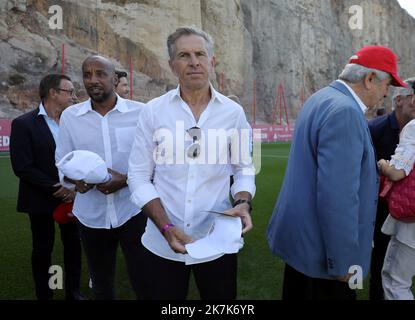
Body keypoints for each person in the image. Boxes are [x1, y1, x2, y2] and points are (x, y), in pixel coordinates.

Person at [266, 45, 407, 300]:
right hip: (322, 254)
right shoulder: (345, 112)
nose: (387, 93)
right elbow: (338, 196)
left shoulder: (322, 97)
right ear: (369, 79)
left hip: (302, 244)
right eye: (387, 84)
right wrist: (343, 261)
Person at [128, 26, 255, 300]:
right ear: (172, 65)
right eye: (184, 55)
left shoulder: (233, 113)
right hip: (161, 243)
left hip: (217, 239)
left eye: (200, 54)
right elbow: (138, 176)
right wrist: (166, 228)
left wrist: (243, 202)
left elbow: (244, 167)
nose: (194, 61)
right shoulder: (153, 111)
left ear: (212, 60)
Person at [55, 55, 146, 300]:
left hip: (134, 210)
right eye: (87, 75)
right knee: (102, 285)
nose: (93, 80)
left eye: (100, 74)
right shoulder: (70, 117)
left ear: (115, 79)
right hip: (91, 215)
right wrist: (77, 183)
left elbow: (156, 161)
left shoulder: (141, 113)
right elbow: (63, 162)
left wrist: (125, 179)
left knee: (144, 281)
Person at [9, 74, 83, 300]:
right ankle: (45, 293)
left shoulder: (75, 122)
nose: (74, 96)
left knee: (73, 246)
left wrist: (75, 188)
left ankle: (73, 292)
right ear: (53, 93)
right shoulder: (23, 124)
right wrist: (56, 188)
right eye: (69, 92)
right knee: (43, 249)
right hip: (41, 198)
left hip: (73, 197)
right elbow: (22, 166)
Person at [368, 78, 415, 300]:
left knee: (395, 280)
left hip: (407, 216)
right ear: (399, 101)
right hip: (382, 209)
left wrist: (384, 166)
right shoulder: (375, 129)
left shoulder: (412, 129)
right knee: (380, 260)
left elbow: (395, 172)